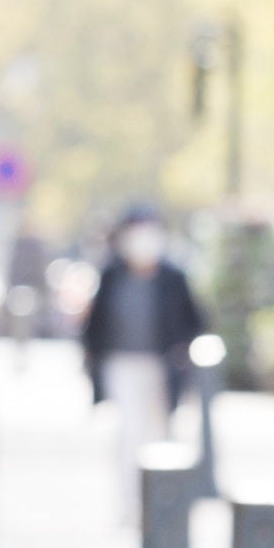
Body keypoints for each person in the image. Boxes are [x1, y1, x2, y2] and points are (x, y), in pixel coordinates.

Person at [80, 210, 208, 527]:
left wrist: (180, 355)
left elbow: (195, 322)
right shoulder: (112, 275)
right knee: (130, 432)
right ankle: (130, 503)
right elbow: (94, 327)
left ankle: (163, 504)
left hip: (161, 367)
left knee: (160, 433)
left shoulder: (173, 278)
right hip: (121, 365)